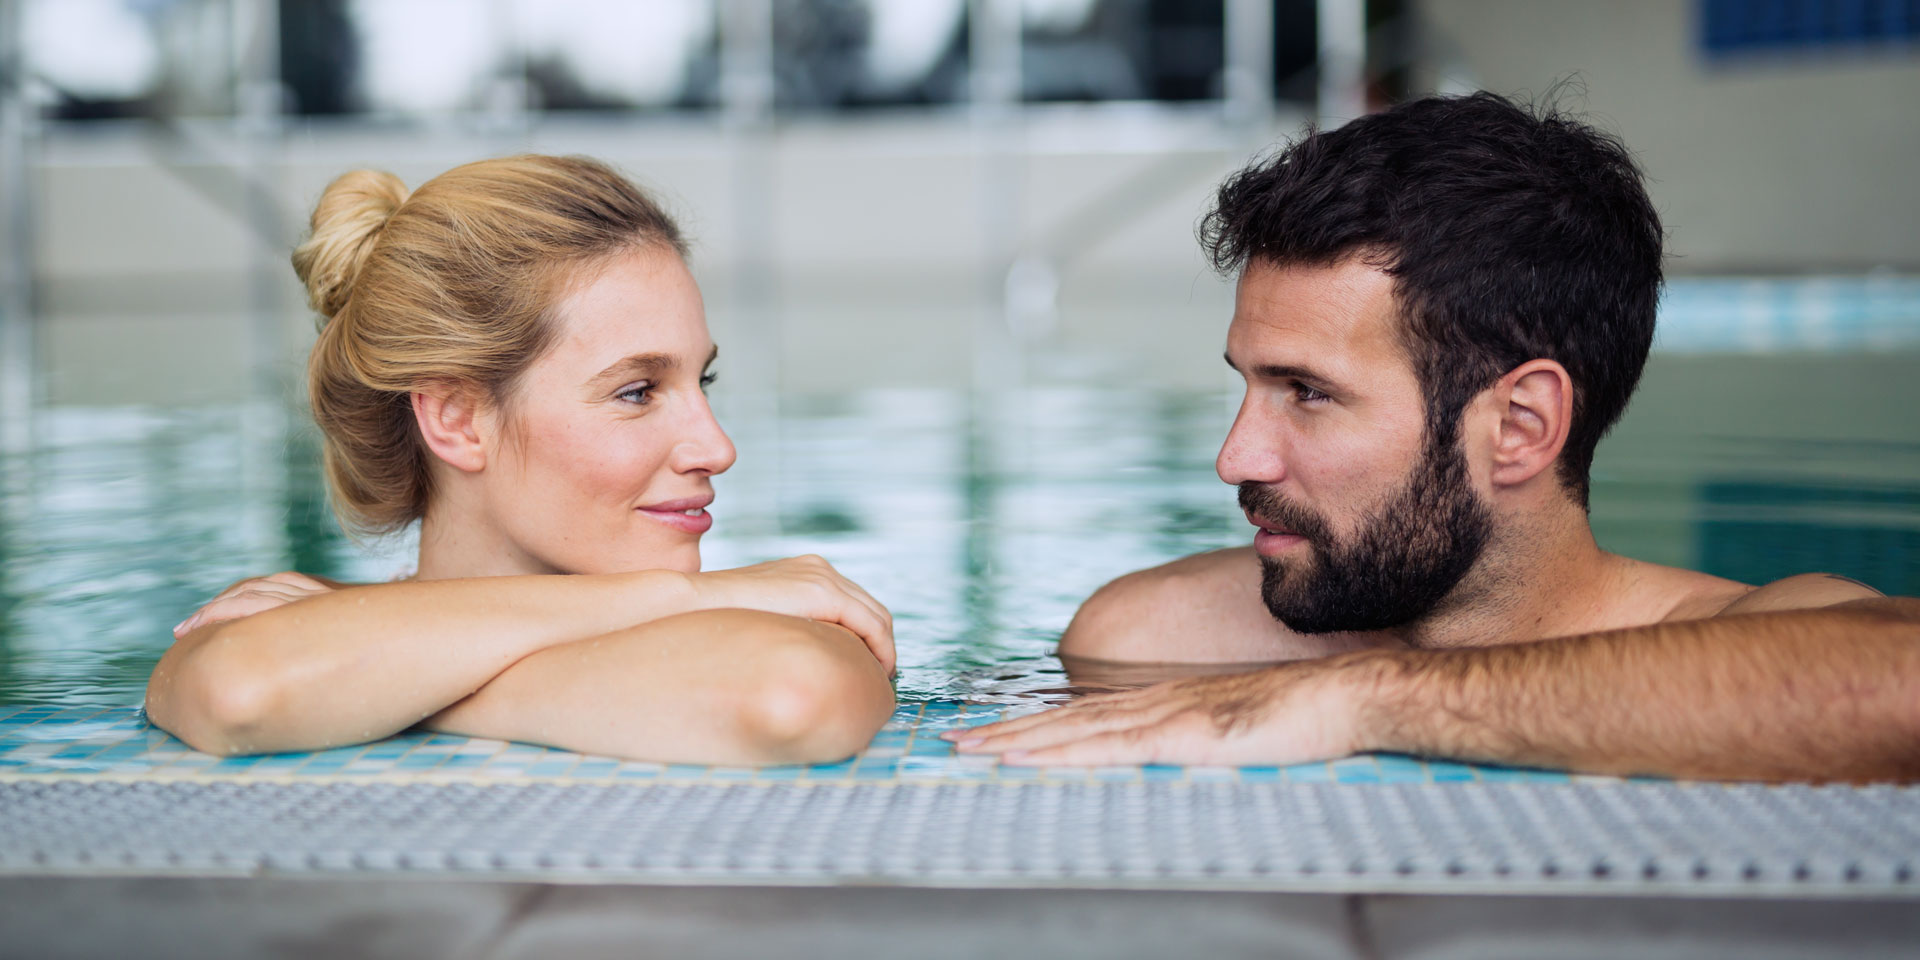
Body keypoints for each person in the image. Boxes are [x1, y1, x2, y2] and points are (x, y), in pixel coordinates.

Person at [946, 93, 1920, 781]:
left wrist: (1366, 700)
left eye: (1309, 394)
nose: (1236, 459)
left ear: (1520, 427)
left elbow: (1897, 689)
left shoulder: (1754, 635)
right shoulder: (1164, 636)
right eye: (1249, 385)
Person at [147, 155, 896, 765]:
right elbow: (236, 694)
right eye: (637, 391)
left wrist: (384, 690)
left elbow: (793, 697)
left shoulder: (319, 627)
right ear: (459, 419)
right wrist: (690, 598)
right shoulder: (282, 611)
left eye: (701, 381)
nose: (717, 447)